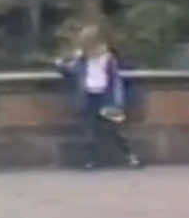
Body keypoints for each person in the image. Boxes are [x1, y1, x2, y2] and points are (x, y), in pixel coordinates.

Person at [56, 26, 144, 169]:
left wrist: (117, 101)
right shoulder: (82, 59)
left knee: (116, 130)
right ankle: (90, 161)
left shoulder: (109, 59)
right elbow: (70, 69)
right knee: (89, 131)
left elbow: (115, 80)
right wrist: (60, 65)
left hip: (106, 97)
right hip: (89, 96)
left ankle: (131, 157)